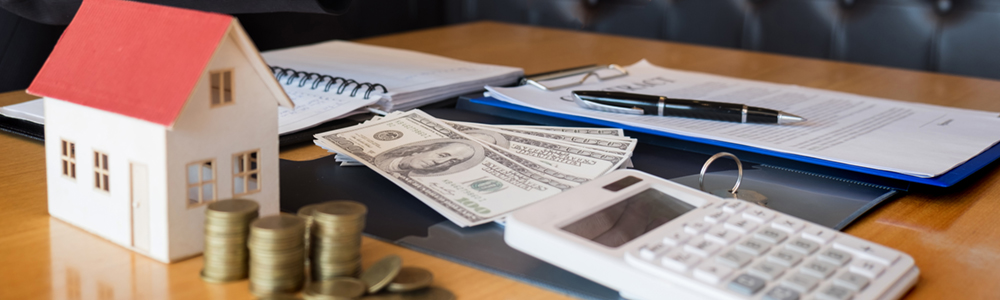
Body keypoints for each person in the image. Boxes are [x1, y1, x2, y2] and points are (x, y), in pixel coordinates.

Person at [374, 140, 479, 176]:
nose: (440, 162)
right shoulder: (381, 157)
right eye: (443, 155)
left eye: (453, 161)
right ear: (424, 150)